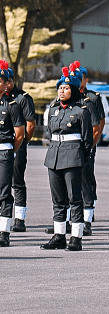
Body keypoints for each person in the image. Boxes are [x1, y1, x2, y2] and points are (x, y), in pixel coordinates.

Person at [41, 65, 93, 251]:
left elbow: (88, 140)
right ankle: (59, 235)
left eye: (66, 88)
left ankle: (76, 237)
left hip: (73, 157)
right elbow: (50, 132)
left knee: (74, 198)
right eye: (60, 88)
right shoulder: (53, 109)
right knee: (58, 199)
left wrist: (81, 158)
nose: (62, 91)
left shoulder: (82, 111)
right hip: (54, 155)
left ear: (74, 90)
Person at [75, 61, 104, 235]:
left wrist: (91, 145)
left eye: (81, 78)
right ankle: (71, 217)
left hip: (87, 145)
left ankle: (87, 218)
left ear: (85, 80)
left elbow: (99, 123)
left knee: (86, 180)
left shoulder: (92, 98)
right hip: (70, 147)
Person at [5, 67, 35, 233]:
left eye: (9, 81)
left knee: (17, 182)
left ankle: (20, 218)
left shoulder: (22, 98)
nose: (6, 84)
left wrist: (23, 143)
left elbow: (30, 124)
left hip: (17, 144)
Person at [0, 61, 25, 247]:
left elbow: (20, 134)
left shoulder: (12, 105)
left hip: (4, 152)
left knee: (4, 193)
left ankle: (4, 232)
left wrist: (10, 150)